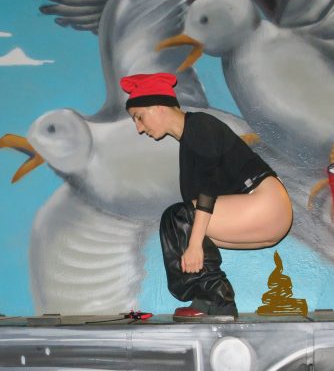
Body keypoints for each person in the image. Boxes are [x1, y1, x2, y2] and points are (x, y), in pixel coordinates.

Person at [121, 72, 293, 320]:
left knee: (179, 218)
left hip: (266, 203)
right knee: (178, 221)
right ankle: (207, 298)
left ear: (158, 107)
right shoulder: (190, 139)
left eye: (139, 117)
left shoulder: (199, 125)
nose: (139, 128)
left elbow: (208, 190)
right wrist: (193, 241)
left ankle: (219, 297)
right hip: (261, 212)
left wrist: (193, 245)